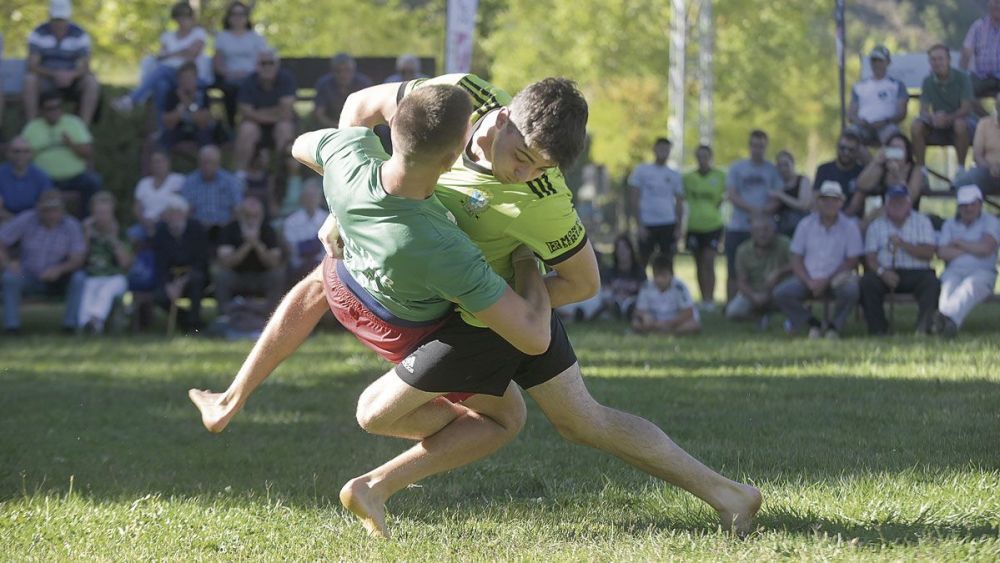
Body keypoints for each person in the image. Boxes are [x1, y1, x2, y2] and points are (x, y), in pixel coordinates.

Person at [192, 75, 760, 538]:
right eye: (522, 158)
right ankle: (732, 495)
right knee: (569, 421)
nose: (527, 173)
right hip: (470, 298)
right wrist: (341, 207)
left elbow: (584, 283)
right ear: (503, 116)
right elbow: (359, 105)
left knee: (566, 420)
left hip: (486, 312)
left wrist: (515, 292)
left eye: (542, 168)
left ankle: (729, 495)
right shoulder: (458, 96)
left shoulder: (546, 201)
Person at [773, 182, 863, 339]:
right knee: (782, 293)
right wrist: (809, 281)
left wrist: (826, 280)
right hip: (808, 277)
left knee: (851, 290)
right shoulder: (805, 224)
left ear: (841, 202)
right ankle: (813, 323)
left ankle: (834, 327)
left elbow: (852, 260)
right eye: (825, 199)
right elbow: (796, 258)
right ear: (818, 201)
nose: (829, 204)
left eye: (834, 200)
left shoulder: (850, 226)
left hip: (837, 278)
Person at [0, 191, 85, 334]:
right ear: (39, 209)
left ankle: (69, 326)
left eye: (55, 210)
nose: (51, 214)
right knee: (10, 278)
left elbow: (78, 258)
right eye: (46, 210)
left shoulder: (71, 226)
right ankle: (12, 327)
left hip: (59, 279)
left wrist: (59, 269)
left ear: (62, 210)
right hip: (27, 275)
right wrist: (8, 263)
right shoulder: (27, 219)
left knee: (79, 278)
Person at [860, 186, 939, 335]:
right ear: (886, 205)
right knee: (867, 282)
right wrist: (883, 272)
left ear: (909, 204)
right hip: (886, 271)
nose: (897, 205)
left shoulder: (922, 222)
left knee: (932, 283)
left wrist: (903, 244)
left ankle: (924, 328)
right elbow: (870, 257)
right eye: (893, 202)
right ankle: (878, 330)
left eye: (901, 202)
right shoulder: (876, 226)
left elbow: (929, 253)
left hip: (917, 272)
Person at [111, 2, 207, 115]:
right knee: (161, 86)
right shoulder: (167, 36)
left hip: (190, 77)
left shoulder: (199, 33)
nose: (182, 21)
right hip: (168, 75)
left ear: (192, 18)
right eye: (179, 17)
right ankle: (162, 129)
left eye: (186, 17)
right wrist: (180, 52)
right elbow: (161, 56)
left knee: (162, 69)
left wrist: (170, 55)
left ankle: (133, 99)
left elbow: (191, 54)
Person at [934, 186, 1000, 337]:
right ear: (958, 206)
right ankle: (948, 326)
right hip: (953, 271)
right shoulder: (949, 224)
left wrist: (959, 243)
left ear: (980, 204)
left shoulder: (991, 221)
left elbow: (986, 249)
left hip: (983, 272)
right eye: (964, 205)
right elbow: (942, 253)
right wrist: (974, 247)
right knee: (947, 290)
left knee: (968, 288)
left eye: (972, 204)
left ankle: (944, 321)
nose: (968, 208)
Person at [20, 91, 101, 215]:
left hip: (75, 177)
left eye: (58, 107)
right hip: (45, 179)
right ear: (41, 110)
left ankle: (84, 222)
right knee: (26, 184)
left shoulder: (74, 123)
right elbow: (22, 155)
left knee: (93, 181)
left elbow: (88, 152)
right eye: (50, 108)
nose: (55, 111)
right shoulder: (32, 128)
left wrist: (71, 144)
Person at [725, 129, 782, 302]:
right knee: (734, 268)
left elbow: (778, 198)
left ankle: (763, 302)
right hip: (739, 225)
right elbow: (732, 195)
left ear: (766, 147)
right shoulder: (736, 168)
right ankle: (731, 303)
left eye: (761, 146)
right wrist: (753, 210)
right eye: (755, 145)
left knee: (763, 268)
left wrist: (763, 213)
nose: (758, 149)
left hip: (765, 228)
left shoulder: (772, 170)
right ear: (749, 146)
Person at [22, 0, 100, 126]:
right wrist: (54, 74)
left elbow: (85, 66)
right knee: (30, 80)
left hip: (72, 80)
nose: (59, 24)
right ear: (50, 17)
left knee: (91, 81)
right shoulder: (38, 33)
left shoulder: (79, 35)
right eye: (56, 19)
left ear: (68, 18)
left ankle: (83, 128)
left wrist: (71, 75)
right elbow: (32, 65)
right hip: (46, 79)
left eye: (62, 19)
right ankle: (32, 126)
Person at [215, 196, 284, 315]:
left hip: (262, 276)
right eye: (247, 215)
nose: (252, 219)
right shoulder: (229, 229)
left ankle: (273, 316)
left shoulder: (268, 230)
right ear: (240, 215)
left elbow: (274, 263)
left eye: (255, 215)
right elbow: (226, 262)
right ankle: (225, 316)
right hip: (237, 276)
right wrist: (247, 245)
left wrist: (257, 244)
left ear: (261, 215)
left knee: (277, 275)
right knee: (221, 275)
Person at [911, 44, 975, 169]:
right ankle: (920, 169)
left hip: (962, 122)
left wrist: (948, 118)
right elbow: (923, 110)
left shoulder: (963, 78)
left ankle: (960, 168)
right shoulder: (927, 81)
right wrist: (933, 117)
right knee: (916, 125)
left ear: (949, 60)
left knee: (960, 125)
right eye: (933, 59)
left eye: (940, 59)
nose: (937, 63)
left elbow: (966, 108)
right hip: (937, 123)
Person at [234, 49, 297, 176]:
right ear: (257, 66)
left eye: (271, 63)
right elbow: (245, 112)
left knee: (284, 128)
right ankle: (240, 175)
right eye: (263, 63)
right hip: (256, 126)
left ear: (277, 65)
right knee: (247, 129)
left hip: (278, 125)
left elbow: (286, 111)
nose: (267, 67)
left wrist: (257, 113)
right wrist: (275, 112)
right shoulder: (248, 82)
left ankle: (283, 174)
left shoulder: (287, 79)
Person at [152, 195, 209, 332]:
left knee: (197, 281)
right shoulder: (161, 232)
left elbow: (201, 261)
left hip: (193, 274)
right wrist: (168, 285)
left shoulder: (196, 229)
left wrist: (182, 281)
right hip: (171, 276)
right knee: (159, 296)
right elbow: (160, 263)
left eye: (177, 213)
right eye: (170, 213)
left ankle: (194, 323)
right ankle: (185, 320)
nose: (173, 217)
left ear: (184, 214)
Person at [77, 192, 132, 333]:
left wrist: (113, 239)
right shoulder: (87, 233)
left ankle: (94, 320)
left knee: (106, 290)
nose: (102, 216)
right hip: (93, 276)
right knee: (88, 288)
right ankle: (88, 326)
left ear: (112, 213)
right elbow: (79, 261)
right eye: (98, 213)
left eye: (105, 212)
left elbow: (125, 263)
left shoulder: (121, 233)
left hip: (116, 277)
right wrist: (86, 238)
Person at [628, 137, 685, 268]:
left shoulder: (674, 174)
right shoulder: (641, 171)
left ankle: (666, 286)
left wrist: (679, 227)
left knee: (667, 261)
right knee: (642, 261)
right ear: (654, 149)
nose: (663, 152)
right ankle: (642, 286)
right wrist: (639, 224)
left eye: (666, 149)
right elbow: (634, 199)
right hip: (647, 223)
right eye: (660, 148)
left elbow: (679, 202)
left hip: (668, 223)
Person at [725, 214, 791, 325]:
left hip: (780, 291)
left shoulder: (785, 243)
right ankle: (759, 315)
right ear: (751, 232)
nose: (762, 234)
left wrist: (779, 273)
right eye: (757, 230)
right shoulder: (743, 250)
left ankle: (773, 314)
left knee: (791, 300)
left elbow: (797, 265)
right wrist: (754, 296)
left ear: (774, 230)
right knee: (733, 311)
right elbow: (741, 282)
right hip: (755, 292)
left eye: (766, 229)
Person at [212, 1, 269, 128]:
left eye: (241, 14)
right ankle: (231, 129)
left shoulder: (256, 38)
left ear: (247, 16)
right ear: (228, 17)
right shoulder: (222, 37)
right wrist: (231, 73)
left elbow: (264, 62)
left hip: (254, 78)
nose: (238, 18)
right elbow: (217, 64)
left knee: (253, 89)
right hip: (230, 79)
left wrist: (252, 73)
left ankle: (257, 126)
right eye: (234, 14)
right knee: (231, 91)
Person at [682, 144, 726, 310]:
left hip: (713, 225)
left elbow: (725, 196)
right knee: (698, 263)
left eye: (705, 156)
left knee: (709, 260)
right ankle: (702, 298)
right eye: (699, 156)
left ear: (710, 157)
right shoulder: (688, 178)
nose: (702, 159)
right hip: (694, 226)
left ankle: (710, 298)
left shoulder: (720, 176)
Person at [854, 133, 926, 229]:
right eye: (892, 148)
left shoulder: (915, 170)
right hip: (884, 215)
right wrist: (875, 162)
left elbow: (910, 197)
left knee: (872, 218)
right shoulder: (883, 168)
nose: (895, 152)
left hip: (907, 215)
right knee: (862, 224)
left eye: (899, 149)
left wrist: (898, 176)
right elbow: (861, 184)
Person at [847, 45, 908, 147]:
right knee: (849, 136)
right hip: (863, 126)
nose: (877, 64)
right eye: (874, 61)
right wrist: (860, 122)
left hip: (887, 126)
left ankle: (894, 163)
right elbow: (851, 114)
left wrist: (886, 121)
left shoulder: (897, 85)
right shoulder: (859, 86)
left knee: (895, 140)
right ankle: (865, 162)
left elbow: (901, 112)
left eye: (880, 61)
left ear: (887, 62)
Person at [180, 145, 243, 242]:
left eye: (212, 163)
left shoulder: (231, 181)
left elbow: (237, 210)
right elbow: (186, 211)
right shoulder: (189, 182)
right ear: (199, 163)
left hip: (225, 228)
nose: (208, 166)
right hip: (198, 229)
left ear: (218, 163)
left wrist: (226, 225)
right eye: (205, 163)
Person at [631, 253, 701, 335]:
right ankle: (660, 331)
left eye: (664, 276)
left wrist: (669, 323)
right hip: (655, 321)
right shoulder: (646, 287)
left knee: (693, 324)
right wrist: (644, 316)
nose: (660, 280)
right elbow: (639, 309)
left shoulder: (680, 288)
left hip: (675, 320)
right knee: (636, 323)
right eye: (657, 275)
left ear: (671, 274)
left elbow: (688, 312)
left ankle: (668, 332)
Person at [159, 62, 220, 149]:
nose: (186, 81)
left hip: (199, 131)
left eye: (189, 78)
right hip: (178, 130)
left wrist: (187, 103)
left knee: (206, 138)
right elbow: (169, 124)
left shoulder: (203, 94)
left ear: (196, 78)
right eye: (183, 78)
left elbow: (203, 122)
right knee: (164, 140)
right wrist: (180, 109)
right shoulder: (172, 94)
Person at [954, 91, 1000, 195]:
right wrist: (990, 168)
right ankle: (965, 211)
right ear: (996, 107)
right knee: (963, 182)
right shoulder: (984, 123)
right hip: (987, 172)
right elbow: (977, 155)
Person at [0, 137, 55, 224]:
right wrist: (16, 221)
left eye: (26, 151)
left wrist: (24, 221)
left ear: (31, 154)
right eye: (16, 151)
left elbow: (46, 204)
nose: (21, 155)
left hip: (34, 220)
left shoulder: (41, 176)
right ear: (8, 154)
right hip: (6, 218)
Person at [282, 178, 326, 284]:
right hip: (298, 267)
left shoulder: (327, 219)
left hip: (323, 266)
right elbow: (292, 249)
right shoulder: (291, 221)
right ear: (302, 198)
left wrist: (305, 246)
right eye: (308, 196)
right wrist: (313, 245)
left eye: (314, 196)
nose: (311, 199)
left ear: (320, 198)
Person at [313, 53, 373, 128]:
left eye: (347, 70)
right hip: (331, 126)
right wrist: (337, 127)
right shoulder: (324, 84)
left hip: (359, 125)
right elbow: (319, 114)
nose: (343, 74)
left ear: (354, 70)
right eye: (338, 71)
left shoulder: (364, 84)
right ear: (332, 71)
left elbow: (371, 112)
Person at [813, 131, 865, 218]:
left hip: (851, 220)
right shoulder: (823, 169)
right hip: (824, 217)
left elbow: (855, 205)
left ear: (857, 151)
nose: (846, 152)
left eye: (851, 150)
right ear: (837, 147)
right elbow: (816, 198)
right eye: (842, 148)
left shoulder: (861, 172)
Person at [133, 150, 185, 231]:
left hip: (168, 224)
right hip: (145, 223)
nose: (158, 165)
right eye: (155, 162)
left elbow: (180, 205)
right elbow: (137, 207)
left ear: (168, 162)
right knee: (132, 234)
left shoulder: (178, 180)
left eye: (161, 161)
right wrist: (145, 222)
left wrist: (160, 220)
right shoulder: (143, 183)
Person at [960, 0, 1000, 102]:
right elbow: (966, 52)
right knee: (964, 93)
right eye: (996, 2)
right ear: (989, 4)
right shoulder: (978, 26)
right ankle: (986, 117)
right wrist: (961, 77)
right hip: (981, 77)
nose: (998, 6)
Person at [771, 150, 812, 238]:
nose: (783, 169)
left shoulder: (803, 180)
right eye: (780, 165)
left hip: (802, 229)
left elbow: (803, 204)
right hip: (782, 231)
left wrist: (781, 195)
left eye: (786, 164)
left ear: (793, 164)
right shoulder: (776, 185)